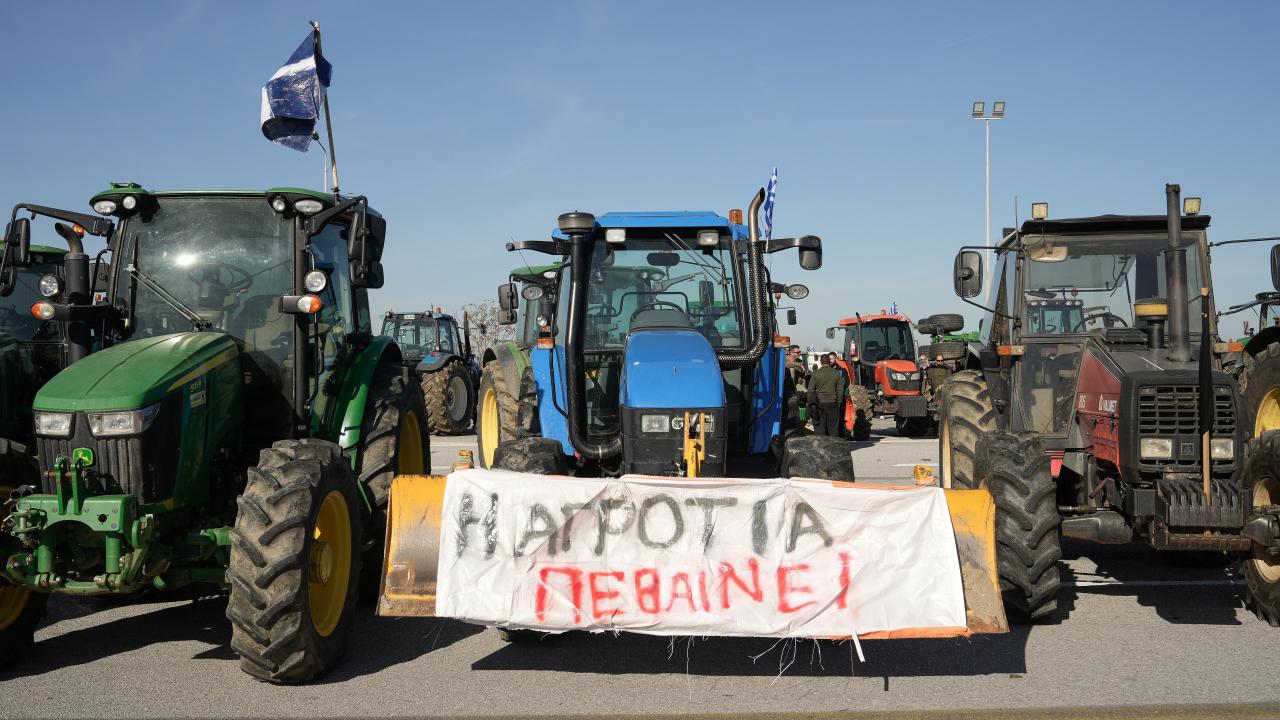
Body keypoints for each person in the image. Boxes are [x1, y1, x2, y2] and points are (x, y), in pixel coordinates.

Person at [808, 352, 848, 437]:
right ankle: (833, 445)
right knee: (833, 430)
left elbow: (810, 391)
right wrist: (838, 403)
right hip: (833, 404)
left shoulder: (815, 374)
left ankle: (821, 444)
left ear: (821, 362)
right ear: (829, 361)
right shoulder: (836, 373)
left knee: (820, 430)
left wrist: (811, 404)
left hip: (820, 405)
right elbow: (840, 390)